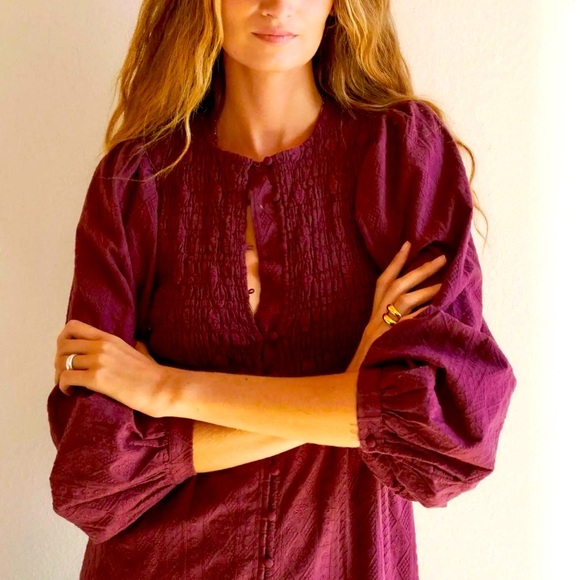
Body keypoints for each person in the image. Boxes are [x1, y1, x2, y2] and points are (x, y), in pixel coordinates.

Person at [47, 0, 516, 578]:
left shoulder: (400, 158)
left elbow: (445, 429)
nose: (277, 6)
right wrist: (354, 388)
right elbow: (93, 473)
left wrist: (167, 390)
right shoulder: (135, 181)